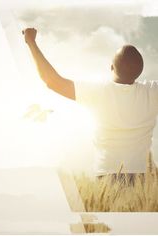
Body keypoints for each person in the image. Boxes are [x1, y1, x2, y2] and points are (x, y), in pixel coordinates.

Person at [22, 27, 158, 186]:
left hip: (107, 179)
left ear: (111, 67)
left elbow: (52, 81)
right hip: (144, 179)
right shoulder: (153, 91)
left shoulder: (97, 92)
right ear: (140, 71)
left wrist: (31, 42)